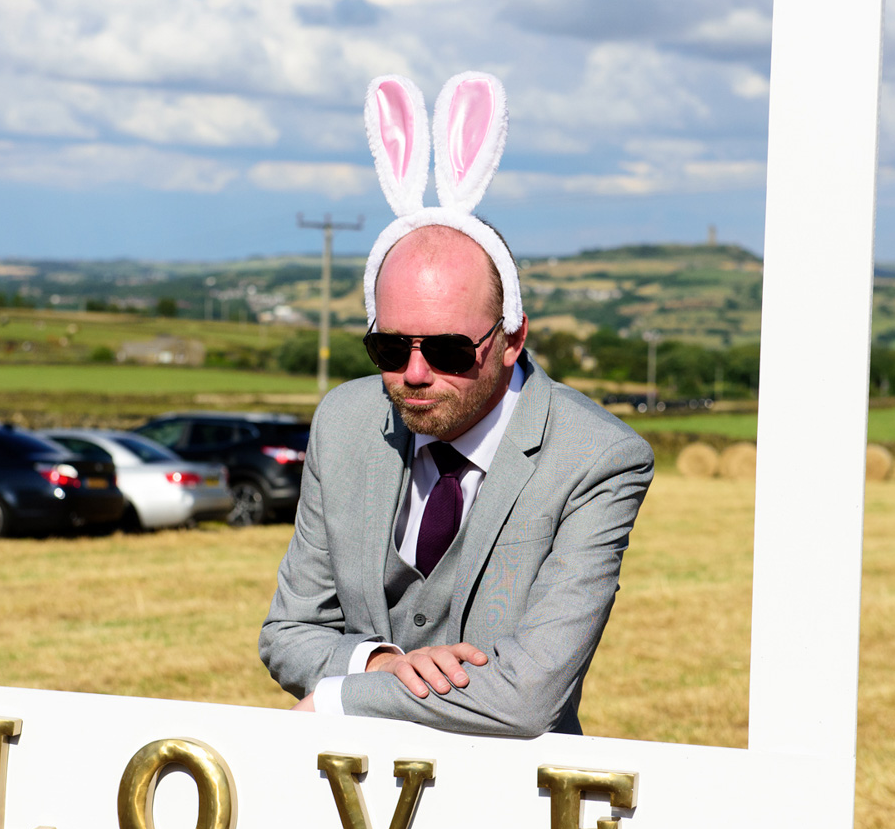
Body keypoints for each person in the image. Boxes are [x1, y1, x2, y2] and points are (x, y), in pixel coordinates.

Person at [258, 72, 653, 736]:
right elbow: (289, 632)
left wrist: (343, 695)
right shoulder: (344, 422)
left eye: (446, 351)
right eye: (388, 348)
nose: (413, 374)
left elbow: (528, 697)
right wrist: (379, 662)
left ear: (512, 338)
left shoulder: (599, 460)